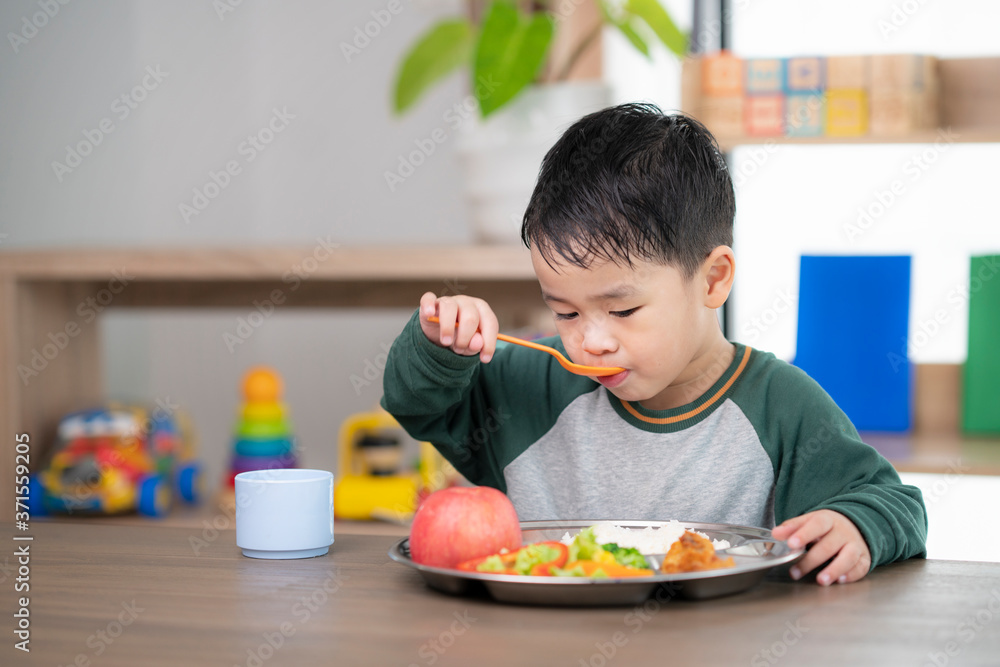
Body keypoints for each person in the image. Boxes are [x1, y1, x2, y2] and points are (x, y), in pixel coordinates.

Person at [381, 103, 926, 586]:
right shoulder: (530, 385)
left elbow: (893, 502)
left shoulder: (782, 408)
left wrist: (857, 525)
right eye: (565, 311)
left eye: (622, 311)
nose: (589, 340)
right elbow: (419, 405)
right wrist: (440, 348)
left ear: (712, 280)